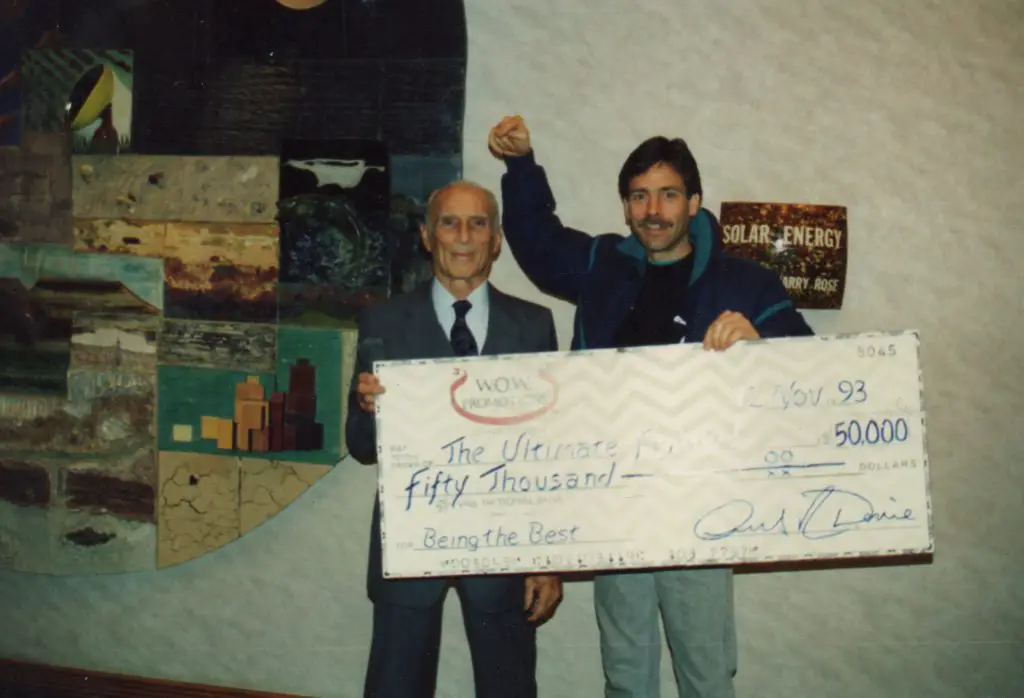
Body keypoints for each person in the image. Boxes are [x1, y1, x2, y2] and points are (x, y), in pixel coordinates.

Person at [488, 115, 814, 698]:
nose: (653, 210)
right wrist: (521, 165)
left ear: (694, 201)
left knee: (707, 677)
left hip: (706, 509)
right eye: (639, 196)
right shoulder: (601, 266)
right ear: (625, 207)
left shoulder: (747, 284)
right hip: (619, 504)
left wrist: (761, 346)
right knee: (626, 675)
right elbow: (537, 240)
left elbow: (813, 376)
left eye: (667, 194)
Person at [345, 180, 564, 698]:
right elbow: (359, 446)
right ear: (426, 235)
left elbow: (551, 456)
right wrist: (366, 408)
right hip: (409, 546)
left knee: (508, 688)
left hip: (504, 549)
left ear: (497, 239)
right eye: (449, 222)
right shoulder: (383, 322)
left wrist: (549, 559)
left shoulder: (534, 326)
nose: (463, 236)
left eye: (478, 223)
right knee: (396, 688)